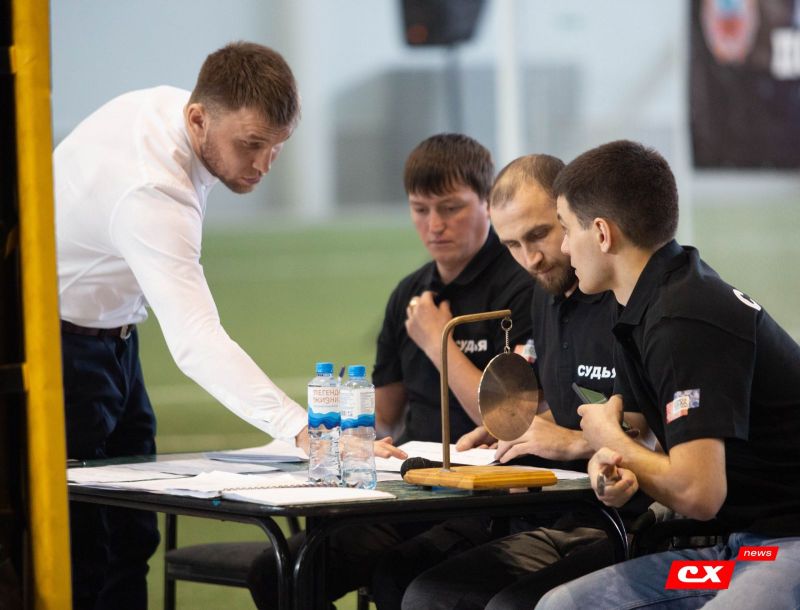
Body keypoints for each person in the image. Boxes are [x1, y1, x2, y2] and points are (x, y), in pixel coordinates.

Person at [54, 42, 312, 610]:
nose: (264, 164)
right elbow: (196, 341)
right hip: (62, 352)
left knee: (131, 537)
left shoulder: (179, 108)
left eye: (277, 146)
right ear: (198, 119)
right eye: (251, 144)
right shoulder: (155, 188)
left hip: (111, 338)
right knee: (84, 551)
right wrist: (300, 428)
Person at [247, 133, 536, 608]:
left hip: (484, 495)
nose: (434, 225)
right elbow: (384, 413)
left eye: (451, 208)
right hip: (413, 487)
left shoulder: (520, 287)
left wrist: (438, 341)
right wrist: (346, 433)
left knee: (398, 575)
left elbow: (509, 421)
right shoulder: (410, 293)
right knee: (281, 570)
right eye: (420, 209)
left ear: (487, 203)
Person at [376, 154, 650, 610]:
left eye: (540, 234)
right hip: (549, 509)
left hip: (615, 520)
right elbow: (571, 402)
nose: (531, 259)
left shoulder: (629, 299)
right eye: (512, 245)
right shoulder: (547, 295)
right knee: (417, 587)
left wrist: (569, 441)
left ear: (574, 217)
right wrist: (516, 429)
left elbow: (653, 429)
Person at [536, 140, 800, 609]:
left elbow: (699, 493)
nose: (562, 246)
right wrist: (609, 469)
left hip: (781, 546)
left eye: (565, 228)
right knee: (563, 605)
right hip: (737, 551)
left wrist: (607, 440)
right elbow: (634, 432)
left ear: (602, 233)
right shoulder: (647, 301)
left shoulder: (682, 318)